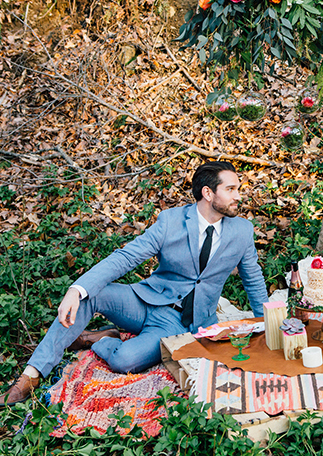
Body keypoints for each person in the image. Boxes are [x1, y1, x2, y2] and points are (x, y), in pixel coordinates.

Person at [0, 161, 269, 406]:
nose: (238, 196)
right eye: (231, 189)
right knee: (90, 294)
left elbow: (253, 279)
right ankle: (31, 375)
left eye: (238, 189)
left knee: (123, 360)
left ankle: (102, 338)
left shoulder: (242, 231)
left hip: (180, 324)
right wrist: (76, 289)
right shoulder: (170, 222)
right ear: (208, 194)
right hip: (145, 302)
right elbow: (126, 257)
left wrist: (269, 324)